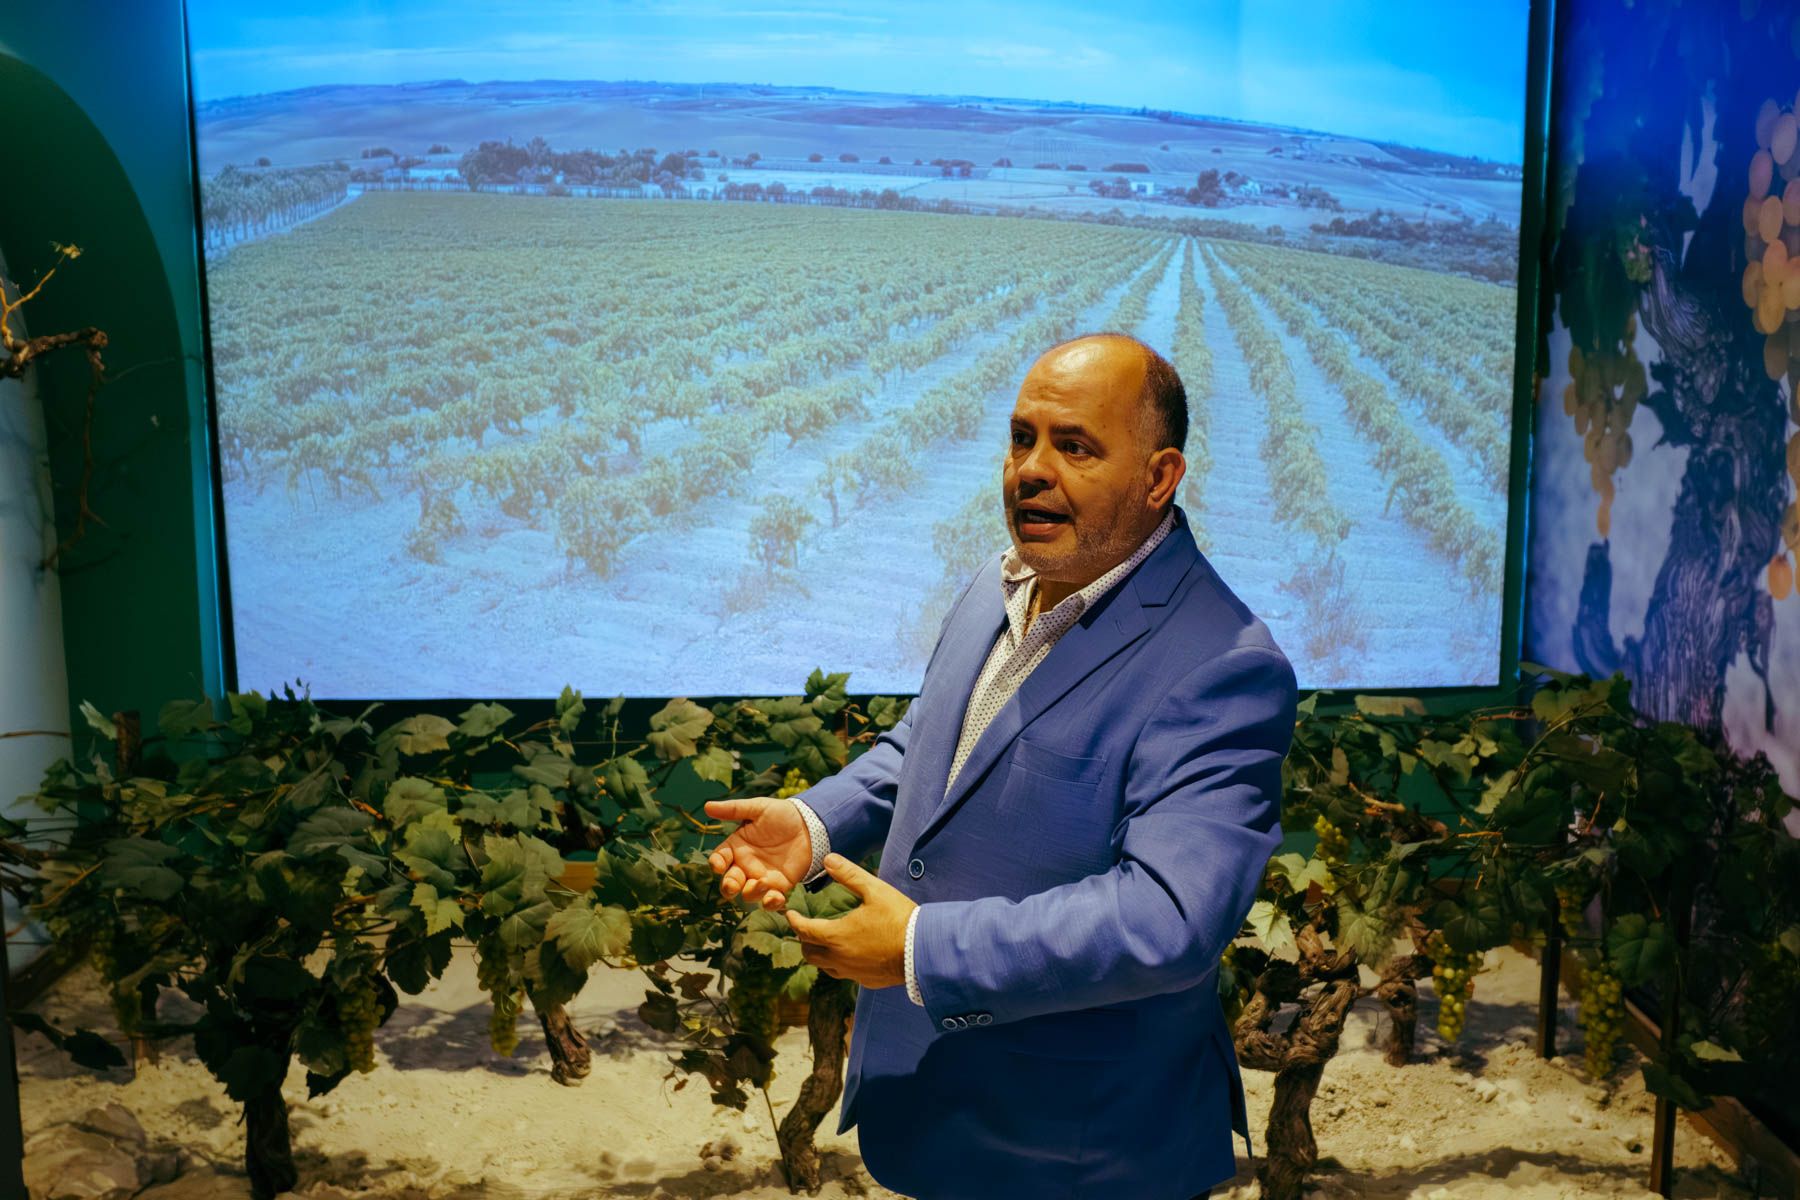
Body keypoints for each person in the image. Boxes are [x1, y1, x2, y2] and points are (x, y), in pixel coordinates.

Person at [704, 331, 1296, 1200]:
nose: (1031, 468)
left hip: (1078, 1151)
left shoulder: (1222, 665)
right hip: (942, 1110)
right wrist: (817, 819)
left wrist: (920, 949)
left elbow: (1167, 920)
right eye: (1023, 438)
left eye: (1076, 446)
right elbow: (935, 744)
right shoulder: (1002, 580)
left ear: (1161, 476)